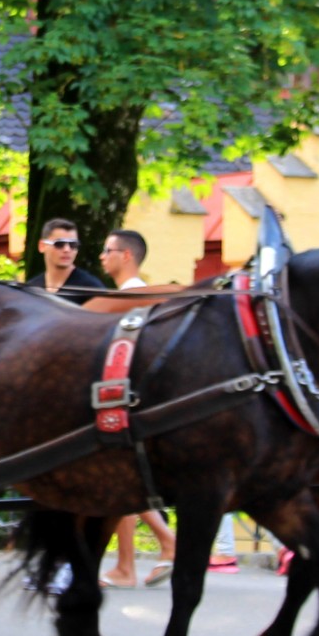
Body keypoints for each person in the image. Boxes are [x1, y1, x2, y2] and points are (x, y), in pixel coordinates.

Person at [90, 228, 179, 589]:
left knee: (120, 479)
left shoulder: (129, 299)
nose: (101, 256)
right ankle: (133, 561)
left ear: (126, 255)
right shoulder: (140, 296)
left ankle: (152, 550)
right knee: (122, 481)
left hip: (122, 398)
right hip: (130, 398)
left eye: (108, 250)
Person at [24, 217, 106, 297]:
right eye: (59, 244)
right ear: (42, 246)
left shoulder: (91, 289)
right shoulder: (31, 289)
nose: (67, 249)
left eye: (73, 245)